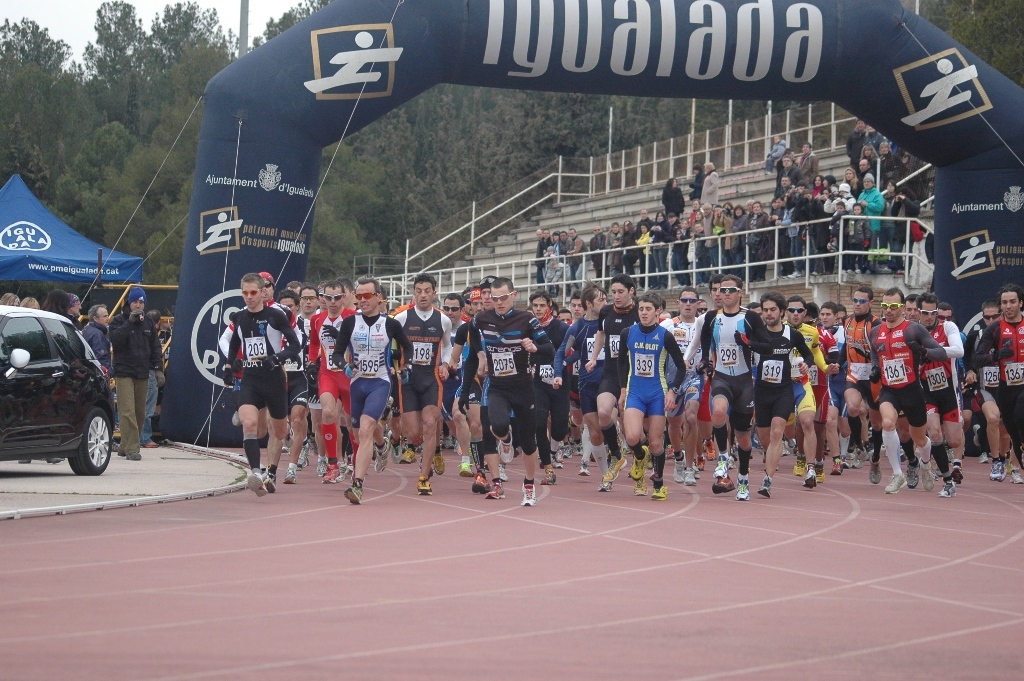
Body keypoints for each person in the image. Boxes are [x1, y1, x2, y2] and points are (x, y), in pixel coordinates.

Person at [459, 277, 554, 505]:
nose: (499, 302)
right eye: (495, 298)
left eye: (503, 298)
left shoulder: (527, 319)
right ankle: (504, 445)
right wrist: (465, 389)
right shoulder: (481, 319)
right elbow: (472, 353)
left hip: (523, 387)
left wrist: (534, 347)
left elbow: (549, 349)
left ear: (514, 295)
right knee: (497, 426)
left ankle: (529, 485)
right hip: (498, 387)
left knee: (530, 443)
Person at [331, 277, 414, 504]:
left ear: (379, 297)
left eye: (367, 296)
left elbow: (408, 346)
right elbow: (337, 353)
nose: (362, 301)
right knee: (359, 433)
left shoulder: (390, 324)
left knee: (366, 428)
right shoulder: (350, 323)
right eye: (358, 297)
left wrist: (406, 366)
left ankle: (357, 485)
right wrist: (344, 366)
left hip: (380, 382)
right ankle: (382, 444)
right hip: (357, 383)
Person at [690, 274, 770, 499]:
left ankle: (743, 480)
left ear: (740, 292)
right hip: (722, 377)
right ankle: (723, 457)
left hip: (744, 381)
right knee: (718, 411)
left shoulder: (750, 318)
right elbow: (705, 340)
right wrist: (705, 360)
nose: (724, 294)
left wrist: (748, 342)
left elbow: (767, 347)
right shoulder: (712, 318)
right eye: (721, 290)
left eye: (730, 290)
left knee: (744, 438)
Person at [869, 288, 949, 494]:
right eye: (885, 306)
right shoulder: (876, 331)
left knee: (920, 439)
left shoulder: (913, 330)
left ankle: (925, 464)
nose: (888, 311)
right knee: (887, 423)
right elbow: (875, 353)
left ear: (903, 308)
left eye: (893, 307)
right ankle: (897, 474)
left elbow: (940, 353)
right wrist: (876, 368)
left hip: (912, 390)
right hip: (889, 390)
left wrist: (923, 351)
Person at [743, 291, 816, 498]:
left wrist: (806, 364)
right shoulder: (756, 335)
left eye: (773, 309)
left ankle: (768, 480)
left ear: (782, 311)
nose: (768, 313)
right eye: (765, 310)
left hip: (783, 391)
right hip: (761, 392)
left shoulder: (792, 335)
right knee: (766, 438)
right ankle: (771, 459)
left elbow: (808, 354)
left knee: (777, 433)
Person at [616, 292, 689, 500]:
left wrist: (673, 391)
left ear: (658, 311)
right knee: (632, 436)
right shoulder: (627, 333)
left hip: (658, 392)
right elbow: (621, 363)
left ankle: (658, 484)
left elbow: (681, 367)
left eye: (648, 309)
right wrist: (622, 390)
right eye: (641, 309)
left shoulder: (665, 336)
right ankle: (640, 455)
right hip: (635, 392)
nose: (644, 313)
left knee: (657, 443)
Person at [393, 274, 453, 495]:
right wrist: (394, 366)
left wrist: (445, 364)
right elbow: (391, 344)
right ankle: (432, 447)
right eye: (419, 290)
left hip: (431, 379)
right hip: (408, 380)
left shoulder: (442, 320)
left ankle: (423, 477)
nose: (423, 295)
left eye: (427, 290)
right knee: (414, 434)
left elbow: (447, 346)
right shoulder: (401, 319)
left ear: (434, 293)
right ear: (413, 292)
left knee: (430, 424)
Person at [585, 274, 640, 491]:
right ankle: (617, 454)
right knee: (604, 413)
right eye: (613, 293)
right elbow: (601, 334)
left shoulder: (639, 313)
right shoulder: (606, 312)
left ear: (631, 292)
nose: (616, 297)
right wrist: (593, 357)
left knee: (632, 429)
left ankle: (641, 460)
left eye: (620, 292)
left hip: (633, 375)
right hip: (610, 372)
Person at [973, 284, 1024, 487]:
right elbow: (977, 359)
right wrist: (995, 355)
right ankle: (1014, 463)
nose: (1008, 306)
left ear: (1021, 303)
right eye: (1004, 302)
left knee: (1021, 414)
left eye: (1012, 302)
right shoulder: (995, 329)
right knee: (1011, 428)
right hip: (1006, 387)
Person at [108, 287, 164, 462]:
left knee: (141, 413)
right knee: (127, 411)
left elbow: (155, 347)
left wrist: (158, 369)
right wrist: (129, 323)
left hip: (143, 372)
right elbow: (115, 340)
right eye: (135, 302)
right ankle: (133, 448)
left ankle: (125, 445)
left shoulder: (148, 323)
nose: (138, 305)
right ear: (129, 303)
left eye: (141, 302)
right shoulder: (118, 320)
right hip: (124, 371)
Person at [917, 293, 964, 497]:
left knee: (953, 441)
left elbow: (958, 350)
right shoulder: (912, 330)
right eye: (925, 313)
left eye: (933, 313)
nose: (929, 317)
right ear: (918, 312)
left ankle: (943, 454)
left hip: (948, 390)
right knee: (935, 433)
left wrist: (930, 352)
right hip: (927, 391)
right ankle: (947, 481)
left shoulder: (947, 327)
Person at [82, 305, 112, 376]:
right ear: (95, 318)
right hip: (98, 374)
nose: (108, 318)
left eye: (107, 316)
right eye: (105, 316)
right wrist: (109, 372)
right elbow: (101, 357)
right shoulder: (97, 334)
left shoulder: (86, 330)